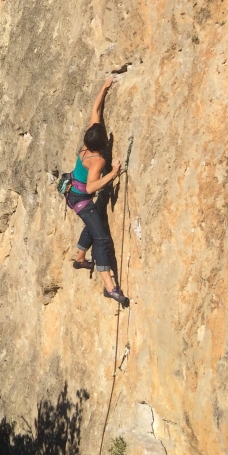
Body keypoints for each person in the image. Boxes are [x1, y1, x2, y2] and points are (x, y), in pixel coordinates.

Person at [67, 77, 129, 307]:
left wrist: (104, 88)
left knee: (93, 225)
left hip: (74, 192)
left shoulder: (89, 141)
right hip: (80, 198)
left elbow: (96, 109)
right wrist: (113, 173)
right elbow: (92, 187)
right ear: (102, 143)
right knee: (101, 237)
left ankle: (80, 258)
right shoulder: (97, 160)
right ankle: (110, 287)